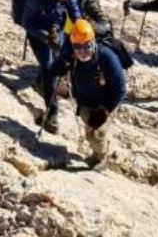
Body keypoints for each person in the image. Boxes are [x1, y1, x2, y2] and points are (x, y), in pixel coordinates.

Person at [51, 19, 126, 166]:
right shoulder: (72, 55)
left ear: (93, 42)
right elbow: (54, 69)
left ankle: (101, 158)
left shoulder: (108, 58)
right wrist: (60, 65)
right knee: (90, 132)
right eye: (78, 47)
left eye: (86, 46)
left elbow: (120, 90)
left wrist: (103, 113)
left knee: (96, 134)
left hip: (106, 102)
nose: (82, 51)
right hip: (85, 101)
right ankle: (97, 151)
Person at [20, 0, 81, 133]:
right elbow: (27, 23)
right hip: (38, 34)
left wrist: (81, 27)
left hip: (57, 30)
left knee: (54, 62)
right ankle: (52, 115)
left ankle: (41, 83)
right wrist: (46, 37)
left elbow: (74, 10)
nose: (66, 0)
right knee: (49, 68)